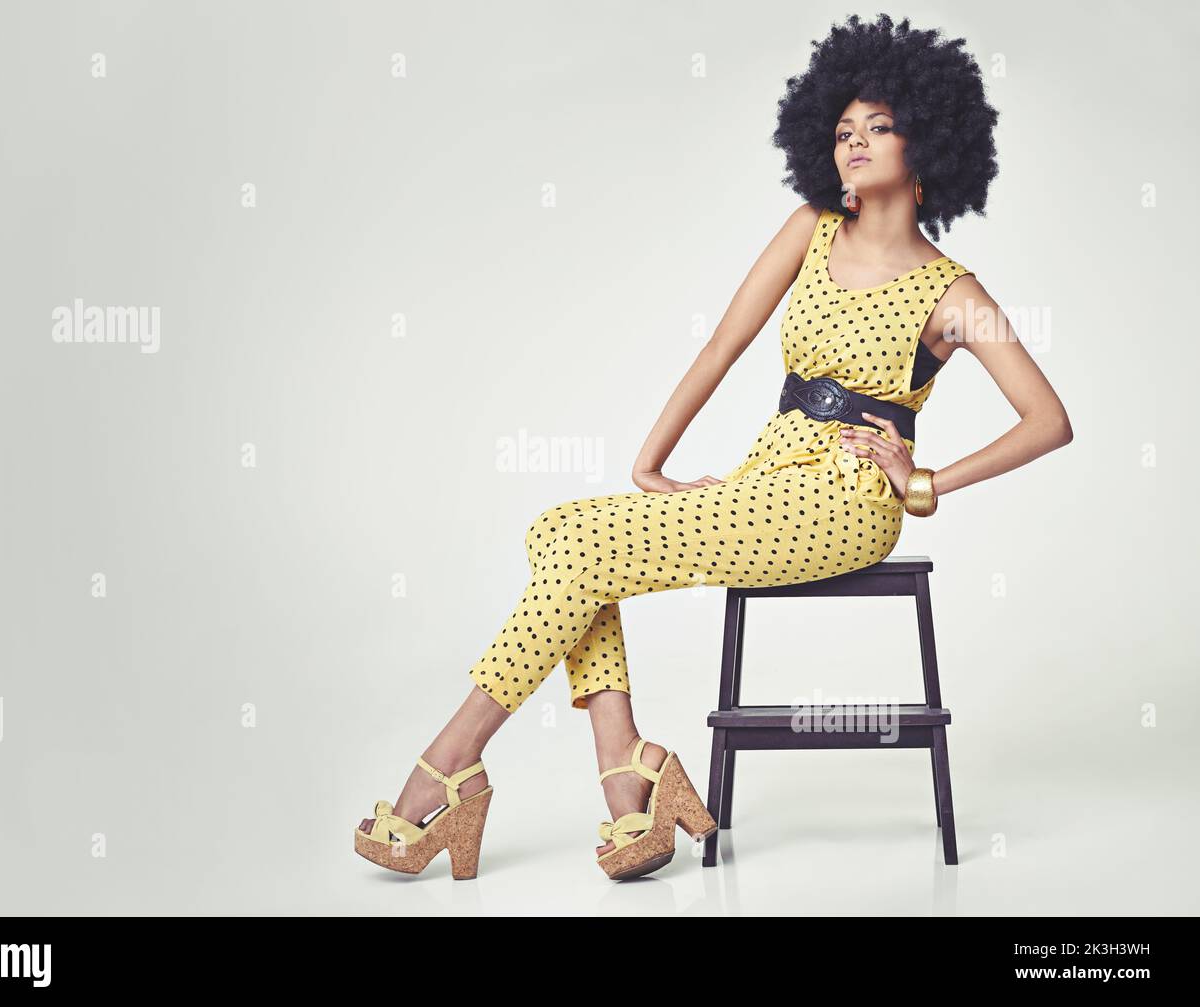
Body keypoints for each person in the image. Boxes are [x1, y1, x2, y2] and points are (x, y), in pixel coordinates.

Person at [354, 13, 1073, 881]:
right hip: (770, 471)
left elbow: (1047, 418)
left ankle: (451, 766)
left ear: (928, 142)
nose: (855, 143)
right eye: (843, 130)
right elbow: (720, 346)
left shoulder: (953, 292)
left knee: (577, 543)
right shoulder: (811, 227)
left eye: (879, 126)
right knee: (561, 531)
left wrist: (922, 482)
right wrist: (647, 463)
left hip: (846, 501)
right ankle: (631, 780)